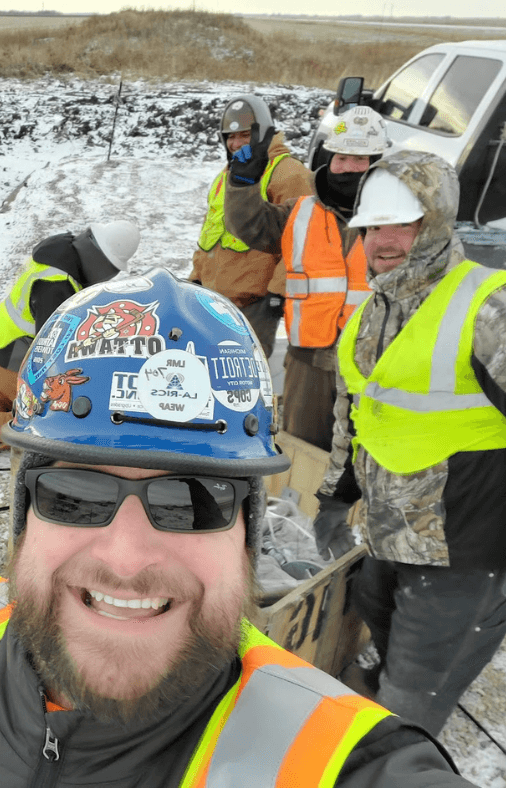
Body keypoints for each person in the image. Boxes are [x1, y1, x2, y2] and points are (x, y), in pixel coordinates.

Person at [0, 268, 474, 787]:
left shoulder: (346, 765)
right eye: (74, 493)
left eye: (192, 500)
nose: (127, 557)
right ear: (23, 515)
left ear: (246, 533)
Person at [313, 150, 506, 736]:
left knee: (407, 706)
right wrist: (331, 499)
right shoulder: (372, 313)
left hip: (465, 553)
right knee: (378, 617)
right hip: (389, 533)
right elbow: (354, 419)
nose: (381, 241)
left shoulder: (488, 305)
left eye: (403, 223)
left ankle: (398, 745)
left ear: (439, 220)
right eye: (372, 227)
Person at [224, 106, 389, 452]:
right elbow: (249, 224)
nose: (346, 167)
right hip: (308, 365)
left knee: (369, 457)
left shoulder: (398, 220)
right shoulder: (300, 212)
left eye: (359, 159)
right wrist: (242, 183)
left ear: (379, 162)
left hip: (376, 368)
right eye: (340, 157)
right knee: (301, 456)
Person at [0, 221, 139, 448]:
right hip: (8, 359)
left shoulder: (61, 252)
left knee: (5, 399)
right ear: (101, 262)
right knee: (52, 412)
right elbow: (51, 353)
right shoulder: (56, 286)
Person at [190, 94, 313, 359]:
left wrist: (278, 293)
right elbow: (211, 231)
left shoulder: (289, 173)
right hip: (216, 300)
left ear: (263, 134)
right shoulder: (228, 175)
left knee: (248, 378)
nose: (235, 144)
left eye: (244, 136)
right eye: (229, 137)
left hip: (255, 303)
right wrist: (196, 277)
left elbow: (301, 237)